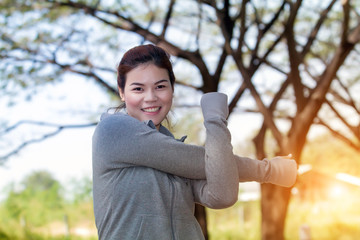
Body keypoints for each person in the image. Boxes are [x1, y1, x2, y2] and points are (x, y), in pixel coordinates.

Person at [92, 44, 297, 240]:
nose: (151, 97)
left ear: (172, 89)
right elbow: (200, 161)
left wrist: (215, 119)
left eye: (160, 86)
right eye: (138, 89)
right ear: (121, 92)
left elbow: (223, 195)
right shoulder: (112, 130)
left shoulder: (170, 147)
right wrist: (268, 170)